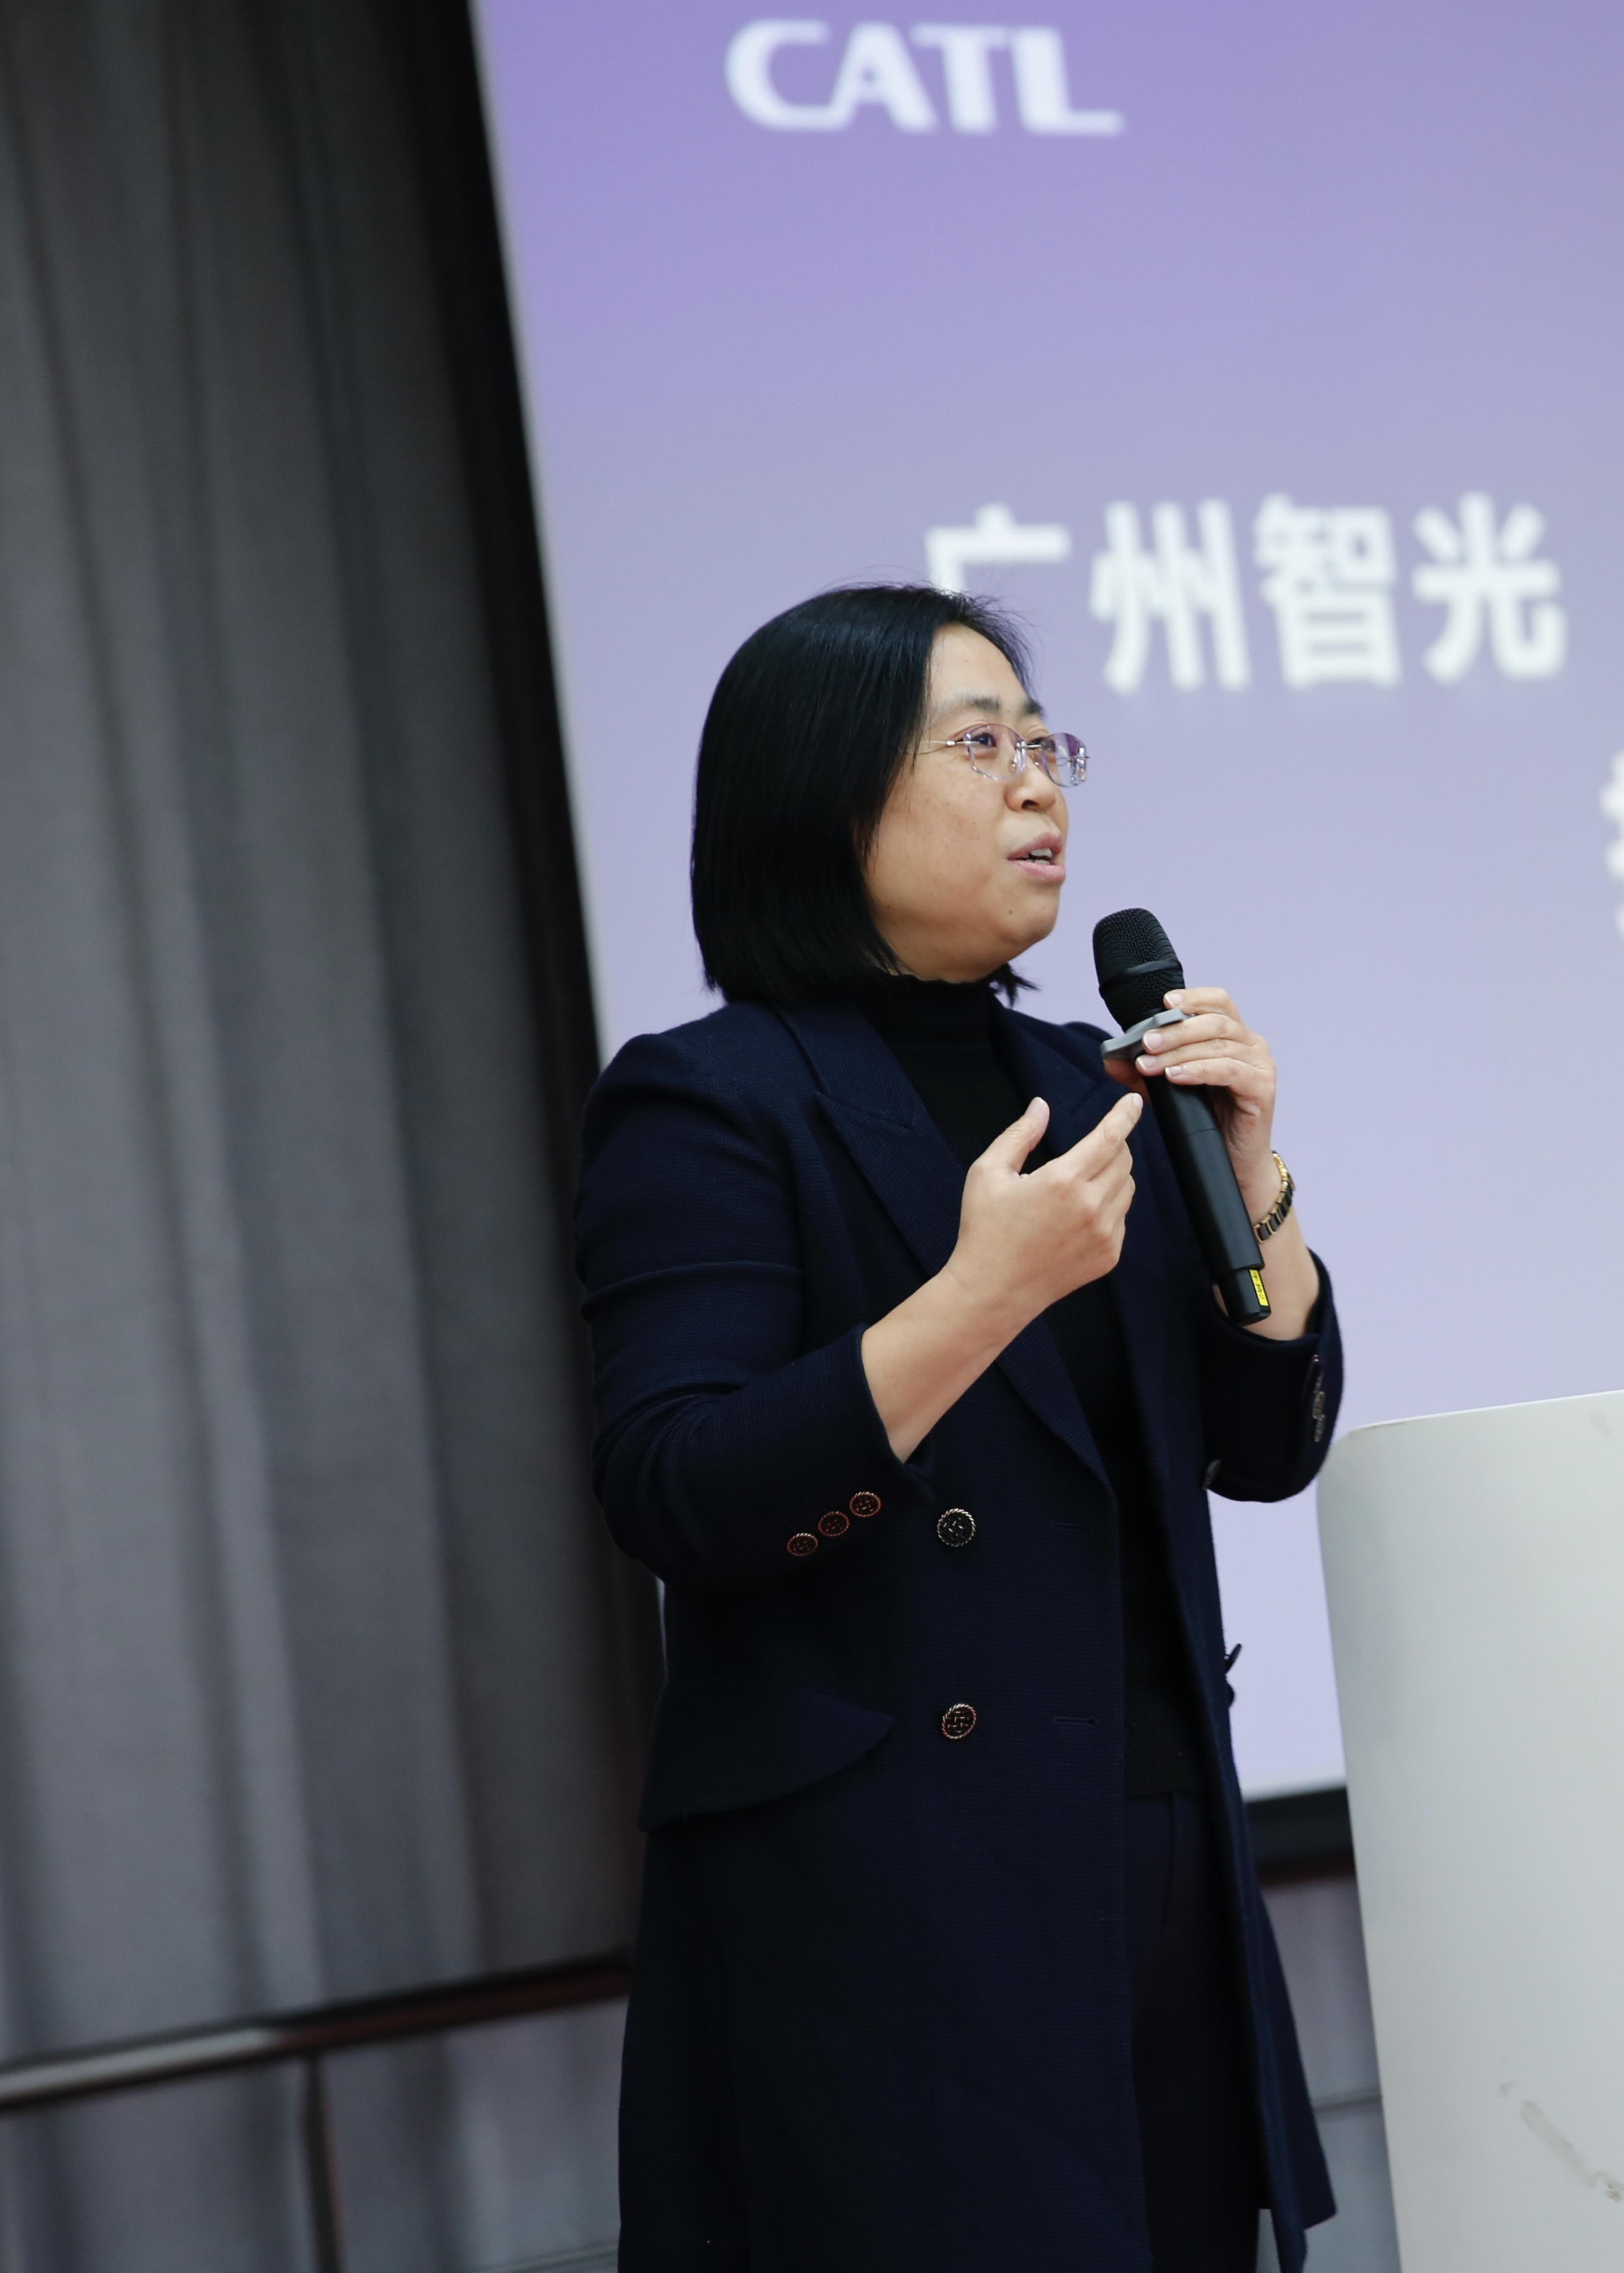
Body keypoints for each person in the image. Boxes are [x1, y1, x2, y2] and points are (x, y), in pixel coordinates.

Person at [575, 584, 1340, 2272]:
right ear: (822, 797)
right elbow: (678, 1488)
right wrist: (978, 1298)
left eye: (1046, 744)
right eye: (979, 745)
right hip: (887, 1901)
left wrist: (1254, 1176)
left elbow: (1266, 1449)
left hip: (1148, 1846)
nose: (1038, 785)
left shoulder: (1092, 1084)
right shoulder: (711, 1099)